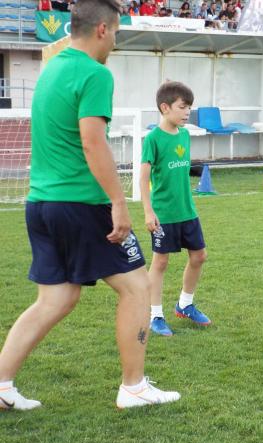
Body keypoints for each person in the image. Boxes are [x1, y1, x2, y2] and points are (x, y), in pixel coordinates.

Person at [0, 0, 180, 411]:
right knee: (137, 287)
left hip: (40, 203)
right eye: (116, 32)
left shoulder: (52, 69)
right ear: (102, 29)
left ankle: (1, 382)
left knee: (56, 298)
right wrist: (119, 201)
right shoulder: (94, 73)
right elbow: (92, 141)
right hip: (81, 202)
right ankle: (134, 387)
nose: (115, 41)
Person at [140, 81, 212, 337]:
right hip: (164, 213)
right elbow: (143, 178)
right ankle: (155, 316)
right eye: (183, 107)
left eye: (189, 108)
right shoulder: (152, 139)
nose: (187, 112)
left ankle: (184, 304)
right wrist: (149, 212)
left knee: (199, 256)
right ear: (165, 107)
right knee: (160, 262)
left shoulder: (183, 135)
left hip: (187, 211)